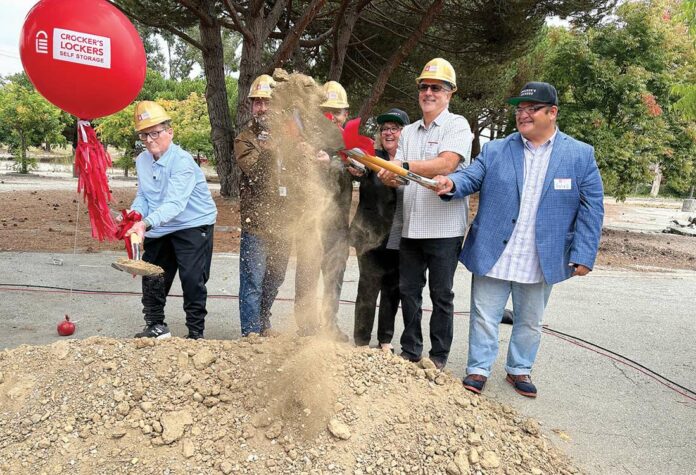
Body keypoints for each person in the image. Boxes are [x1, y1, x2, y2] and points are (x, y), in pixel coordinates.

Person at [433, 81, 604, 397]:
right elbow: (469, 178)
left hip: (542, 255)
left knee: (530, 319)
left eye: (531, 109)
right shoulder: (496, 149)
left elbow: (592, 207)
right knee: (485, 316)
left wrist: (584, 252)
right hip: (494, 249)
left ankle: (519, 369)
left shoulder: (580, 155)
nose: (522, 115)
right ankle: (478, 369)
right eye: (519, 109)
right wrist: (450, 182)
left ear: (552, 113)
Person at [378, 58, 472, 369]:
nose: (428, 92)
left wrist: (401, 168)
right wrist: (389, 175)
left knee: (442, 295)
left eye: (436, 87)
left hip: (445, 229)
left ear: (450, 93)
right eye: (424, 87)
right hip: (411, 228)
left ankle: (438, 357)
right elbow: (400, 175)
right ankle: (411, 350)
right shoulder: (410, 132)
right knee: (409, 292)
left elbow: (447, 164)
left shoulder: (457, 125)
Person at [127, 101, 217, 340]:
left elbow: (176, 204)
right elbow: (145, 195)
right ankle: (156, 325)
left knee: (192, 278)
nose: (149, 139)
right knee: (152, 273)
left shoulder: (183, 161)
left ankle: (196, 333)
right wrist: (135, 215)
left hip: (192, 223)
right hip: (160, 224)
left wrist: (145, 223)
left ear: (170, 132)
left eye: (155, 132)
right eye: (143, 134)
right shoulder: (142, 161)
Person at [234, 74, 290, 337]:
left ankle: (263, 321)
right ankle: (251, 334)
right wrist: (269, 152)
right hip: (256, 222)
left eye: (267, 101)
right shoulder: (245, 139)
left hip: (285, 224)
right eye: (257, 102)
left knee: (275, 278)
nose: (262, 107)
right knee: (253, 280)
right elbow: (257, 176)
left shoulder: (289, 136)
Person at [349, 108, 410, 351]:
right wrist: (355, 167)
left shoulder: (412, 160)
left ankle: (385, 340)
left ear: (404, 132)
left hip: (401, 237)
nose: (389, 132)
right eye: (384, 128)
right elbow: (357, 166)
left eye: (394, 128)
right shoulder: (370, 158)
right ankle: (362, 341)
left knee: (393, 290)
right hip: (369, 236)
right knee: (368, 287)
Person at [297, 80, 352, 340]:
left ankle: (329, 326)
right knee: (307, 276)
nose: (330, 117)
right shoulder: (305, 141)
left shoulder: (348, 141)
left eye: (336, 112)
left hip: (337, 224)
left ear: (345, 114)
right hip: (308, 222)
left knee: (333, 277)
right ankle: (306, 328)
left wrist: (330, 162)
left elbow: (355, 167)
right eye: (325, 112)